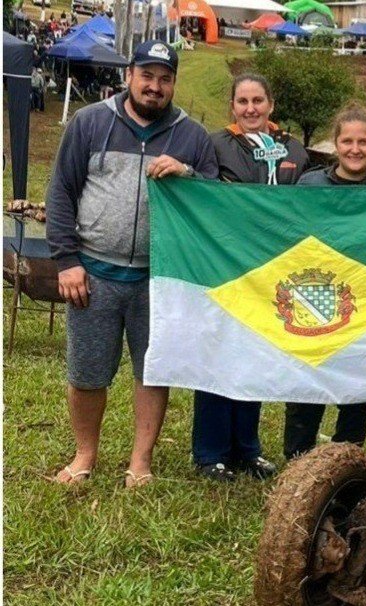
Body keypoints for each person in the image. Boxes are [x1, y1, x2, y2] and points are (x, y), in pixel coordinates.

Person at [45, 40, 219, 487]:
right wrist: (66, 260)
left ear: (174, 83)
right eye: (147, 75)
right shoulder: (89, 122)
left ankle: (140, 461)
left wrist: (188, 176)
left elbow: (216, 202)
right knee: (87, 373)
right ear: (129, 76)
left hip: (158, 279)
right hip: (93, 272)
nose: (155, 86)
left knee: (153, 370)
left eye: (165, 78)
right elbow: (61, 191)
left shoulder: (193, 136)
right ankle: (85, 455)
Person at [193, 73, 310, 481]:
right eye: (242, 101)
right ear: (232, 106)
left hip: (273, 271)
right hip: (226, 265)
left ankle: (247, 448)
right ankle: (211, 452)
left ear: (271, 103)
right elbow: (198, 195)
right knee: (219, 355)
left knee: (256, 357)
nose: (250, 109)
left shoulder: (293, 148)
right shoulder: (214, 143)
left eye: (258, 100)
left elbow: (311, 202)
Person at [284, 103, 366, 460]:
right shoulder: (310, 185)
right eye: (347, 141)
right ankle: (297, 464)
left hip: (364, 306)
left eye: (363, 141)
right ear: (335, 144)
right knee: (306, 388)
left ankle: (345, 466)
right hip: (313, 299)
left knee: (356, 393)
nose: (355, 149)